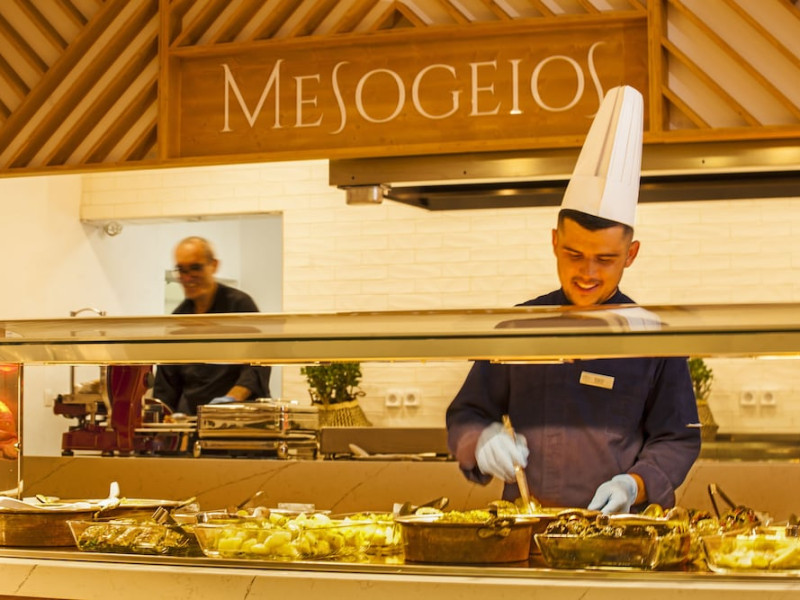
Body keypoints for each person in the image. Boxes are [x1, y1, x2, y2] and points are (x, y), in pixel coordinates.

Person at [446, 86, 701, 514]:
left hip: (619, 532)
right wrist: (480, 441)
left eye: (605, 259)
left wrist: (635, 484)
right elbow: (466, 414)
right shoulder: (519, 327)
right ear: (554, 242)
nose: (587, 272)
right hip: (525, 528)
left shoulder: (652, 337)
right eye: (574, 254)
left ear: (631, 255)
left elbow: (677, 437)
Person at [152, 236, 271, 415]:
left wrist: (231, 399)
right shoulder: (178, 320)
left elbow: (258, 363)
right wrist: (163, 418)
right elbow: (166, 385)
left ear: (214, 265)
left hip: (239, 416)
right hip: (193, 418)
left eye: (195, 268)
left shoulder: (240, 306)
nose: (187, 277)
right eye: (181, 270)